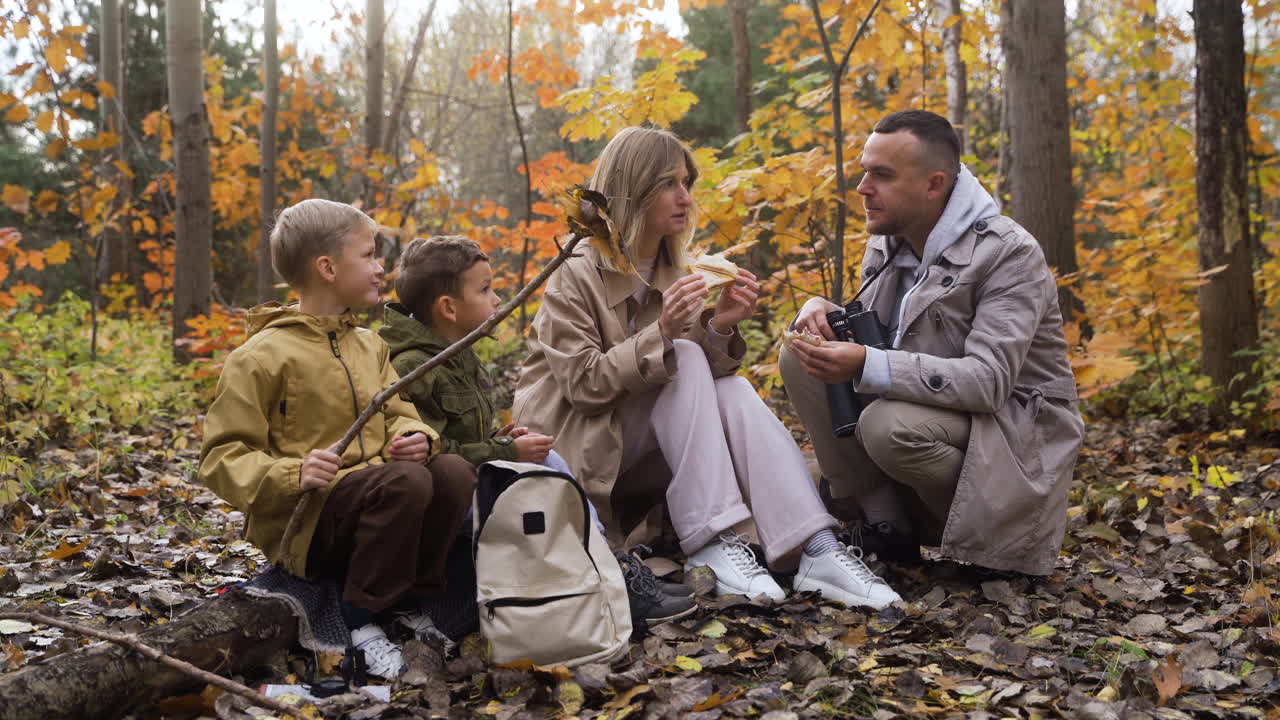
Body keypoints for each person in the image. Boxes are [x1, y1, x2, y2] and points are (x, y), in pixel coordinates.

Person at [513, 126, 900, 610]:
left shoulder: (679, 269)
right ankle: (715, 539)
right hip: (578, 445)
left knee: (732, 390)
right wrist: (666, 334)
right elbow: (584, 386)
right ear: (633, 191)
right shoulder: (575, 273)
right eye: (669, 184)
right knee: (686, 356)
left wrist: (719, 324)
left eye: (686, 183)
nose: (685, 198)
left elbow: (699, 391)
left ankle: (816, 546)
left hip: (646, 447)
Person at [780, 110, 1085, 577]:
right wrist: (826, 314)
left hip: (1008, 439)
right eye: (864, 171)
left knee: (888, 425)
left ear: (934, 184)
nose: (863, 188)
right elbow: (888, 337)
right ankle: (886, 527)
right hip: (935, 422)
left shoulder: (1008, 253)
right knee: (801, 353)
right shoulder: (891, 241)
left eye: (881, 175)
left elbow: (988, 383)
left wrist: (865, 362)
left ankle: (993, 549)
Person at [198, 199, 477, 680]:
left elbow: (400, 414)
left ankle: (410, 601)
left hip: (381, 504)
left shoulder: (370, 346)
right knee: (406, 483)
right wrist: (293, 472)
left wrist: (415, 436)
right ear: (327, 268)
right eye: (368, 255)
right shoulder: (261, 356)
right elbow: (222, 457)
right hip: (310, 519)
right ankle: (359, 621)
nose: (380, 266)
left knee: (451, 470)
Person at [378, 235, 696, 629]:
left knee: (550, 461)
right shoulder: (416, 367)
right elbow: (435, 455)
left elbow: (459, 433)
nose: (497, 300)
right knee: (544, 482)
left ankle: (606, 564)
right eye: (485, 289)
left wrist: (500, 437)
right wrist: (505, 452)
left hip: (472, 482)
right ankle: (602, 577)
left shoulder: (458, 352)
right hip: (448, 508)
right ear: (448, 308)